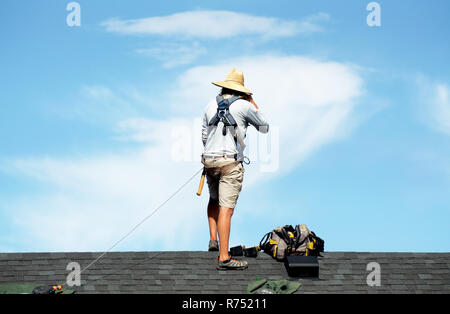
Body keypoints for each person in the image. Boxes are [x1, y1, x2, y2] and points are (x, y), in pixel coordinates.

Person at [201, 68, 269, 270]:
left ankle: (213, 239)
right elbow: (264, 126)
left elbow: (204, 136)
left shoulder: (209, 105)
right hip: (230, 164)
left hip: (210, 161)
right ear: (242, 91)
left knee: (213, 199)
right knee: (226, 209)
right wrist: (252, 102)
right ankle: (224, 257)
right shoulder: (243, 105)